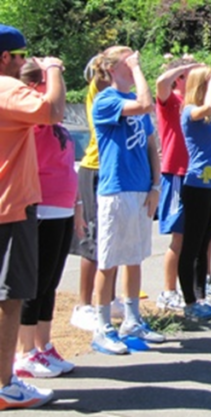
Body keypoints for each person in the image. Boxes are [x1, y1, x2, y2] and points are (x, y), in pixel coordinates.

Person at [0, 24, 65, 409]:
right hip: (10, 207)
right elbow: (53, 111)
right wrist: (54, 68)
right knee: (10, 298)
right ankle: (6, 384)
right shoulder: (6, 88)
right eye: (22, 55)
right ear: (6, 57)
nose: (28, 62)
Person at [90, 46, 165, 355]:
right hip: (116, 189)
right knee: (108, 261)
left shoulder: (133, 102)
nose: (135, 63)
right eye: (127, 59)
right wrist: (137, 70)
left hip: (139, 189)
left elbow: (151, 144)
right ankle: (102, 325)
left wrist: (156, 185)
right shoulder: (106, 99)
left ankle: (132, 321)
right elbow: (148, 104)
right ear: (112, 67)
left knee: (134, 257)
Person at [13, 62, 80, 379]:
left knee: (50, 283)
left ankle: (43, 344)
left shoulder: (51, 117)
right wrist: (51, 69)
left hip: (62, 207)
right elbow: (52, 105)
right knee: (34, 284)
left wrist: (77, 206)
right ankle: (25, 351)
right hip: (40, 207)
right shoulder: (33, 108)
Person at [154, 58, 211, 313]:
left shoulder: (194, 104)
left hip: (199, 177)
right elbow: (161, 83)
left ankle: (196, 290)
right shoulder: (172, 100)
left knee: (199, 237)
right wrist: (182, 68)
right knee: (179, 236)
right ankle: (168, 291)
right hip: (177, 172)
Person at [176, 65, 211, 321]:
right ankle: (189, 302)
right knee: (192, 245)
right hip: (195, 186)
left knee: (204, 245)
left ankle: (201, 297)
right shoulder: (190, 112)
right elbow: (206, 108)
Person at [69, 56, 112, 331]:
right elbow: (98, 76)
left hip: (112, 172)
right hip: (94, 168)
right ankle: (83, 304)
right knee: (92, 242)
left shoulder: (121, 96)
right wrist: (105, 62)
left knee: (111, 241)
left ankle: (106, 298)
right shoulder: (98, 92)